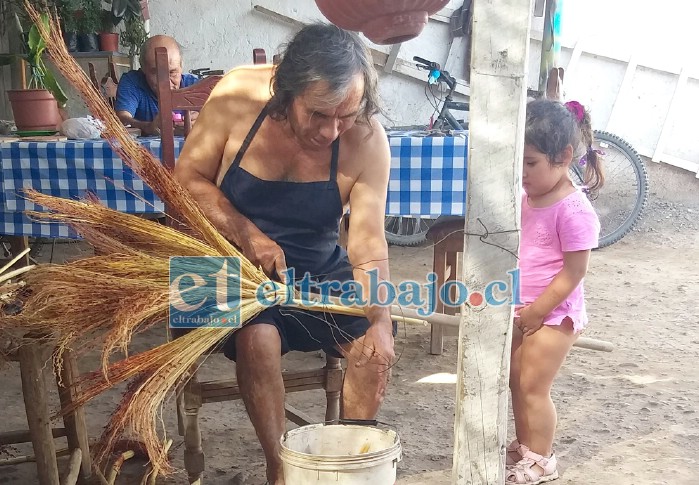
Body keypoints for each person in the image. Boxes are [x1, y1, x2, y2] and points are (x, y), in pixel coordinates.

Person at [173, 24, 394, 485]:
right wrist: (245, 232)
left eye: (345, 115)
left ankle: (347, 464)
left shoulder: (367, 140)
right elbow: (186, 180)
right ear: (285, 91)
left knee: (371, 353)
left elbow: (369, 243)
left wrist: (381, 319)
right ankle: (283, 470)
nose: (331, 131)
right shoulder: (238, 95)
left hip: (311, 265)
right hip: (220, 264)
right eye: (317, 114)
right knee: (259, 339)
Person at [506, 99, 603, 484]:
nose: (523, 172)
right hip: (523, 306)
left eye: (531, 163)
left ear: (563, 157)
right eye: (520, 161)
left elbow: (575, 270)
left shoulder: (575, 210)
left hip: (555, 313)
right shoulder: (529, 197)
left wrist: (536, 312)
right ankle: (525, 448)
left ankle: (542, 461)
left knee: (533, 385)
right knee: (516, 378)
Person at [115, 35, 198, 136]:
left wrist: (203, 120)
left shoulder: (196, 86)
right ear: (143, 69)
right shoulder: (133, 82)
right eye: (156, 73)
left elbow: (220, 116)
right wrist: (148, 127)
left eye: (172, 72)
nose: (165, 82)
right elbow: (121, 119)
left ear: (181, 67)